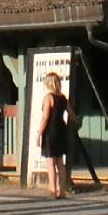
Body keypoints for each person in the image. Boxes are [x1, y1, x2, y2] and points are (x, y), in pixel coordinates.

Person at [36, 70, 76, 199]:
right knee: (60, 162)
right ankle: (62, 191)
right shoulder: (63, 97)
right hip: (61, 130)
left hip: (50, 131)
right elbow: (71, 114)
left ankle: (53, 190)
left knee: (50, 161)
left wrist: (39, 133)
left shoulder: (49, 98)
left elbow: (45, 117)